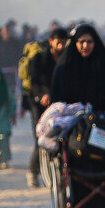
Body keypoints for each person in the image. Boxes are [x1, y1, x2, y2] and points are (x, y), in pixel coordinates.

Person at [50, 23, 105, 208]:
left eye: (89, 42)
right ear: (75, 43)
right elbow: (58, 102)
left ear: (95, 43)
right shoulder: (64, 68)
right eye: (81, 42)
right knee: (76, 163)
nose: (85, 46)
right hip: (76, 130)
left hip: (103, 128)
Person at [21, 27, 68, 189]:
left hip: (59, 104)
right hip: (39, 103)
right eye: (58, 43)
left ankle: (60, 170)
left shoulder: (67, 59)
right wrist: (42, 95)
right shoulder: (40, 59)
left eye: (64, 43)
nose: (61, 46)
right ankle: (33, 171)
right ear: (51, 42)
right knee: (41, 137)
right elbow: (34, 82)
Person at [0, 22, 25, 92]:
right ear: (1, 33)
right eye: (4, 32)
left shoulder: (15, 42)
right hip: (0, 68)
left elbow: (19, 54)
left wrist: (16, 64)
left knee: (12, 87)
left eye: (7, 32)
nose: (6, 34)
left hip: (12, 69)